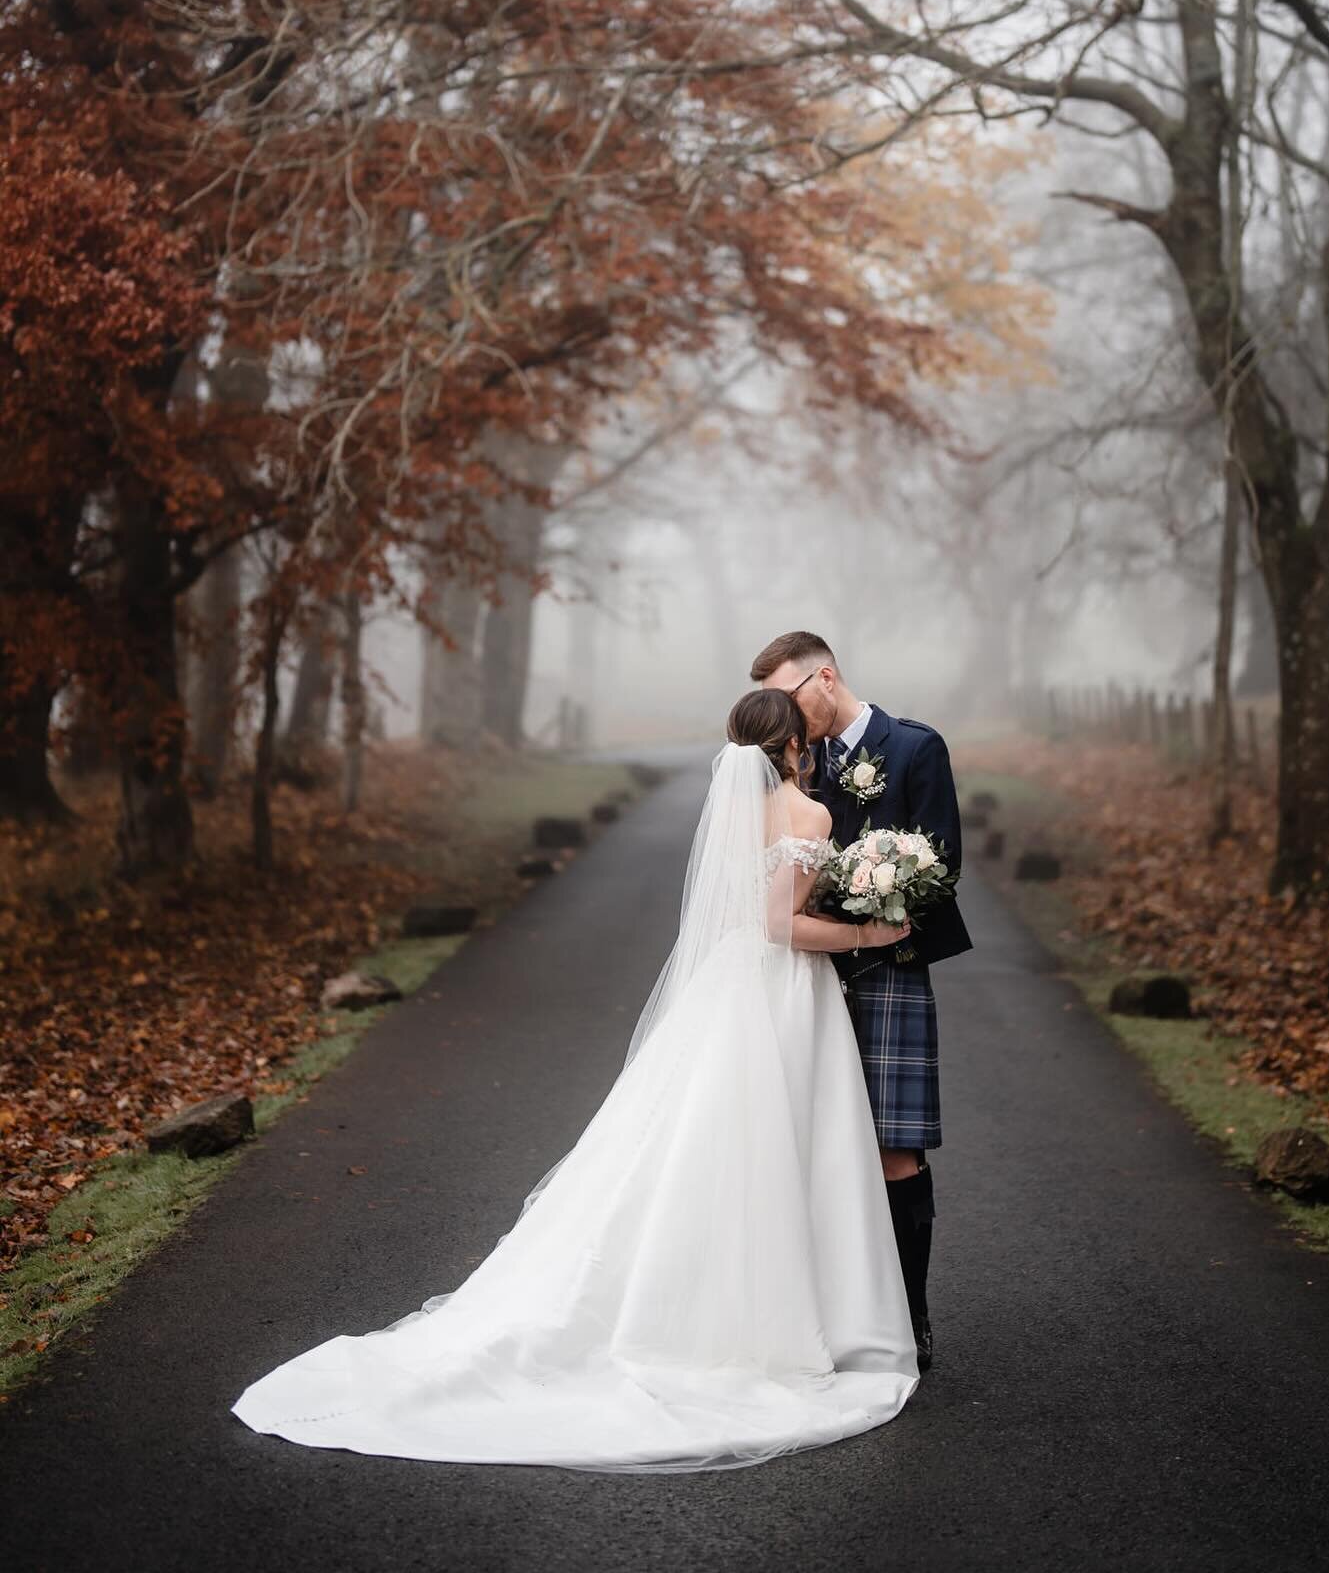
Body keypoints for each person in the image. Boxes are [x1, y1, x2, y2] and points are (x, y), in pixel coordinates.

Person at [230, 689, 919, 1473]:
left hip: (728, 990)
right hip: (783, 993)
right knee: (780, 1149)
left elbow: (740, 913)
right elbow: (778, 924)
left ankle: (701, 1299)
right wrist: (869, 926)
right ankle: (779, 1321)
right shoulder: (811, 817)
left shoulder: (733, 810)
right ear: (796, 744)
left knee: (694, 1146)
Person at [753, 631, 973, 1372]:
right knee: (806, 1149)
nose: (785, 713)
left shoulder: (914, 748)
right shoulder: (786, 762)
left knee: (893, 1152)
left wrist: (879, 897)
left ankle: (909, 1317)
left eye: (791, 695)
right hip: (804, 979)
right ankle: (823, 1315)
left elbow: (941, 861)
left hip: (891, 973)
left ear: (826, 677)